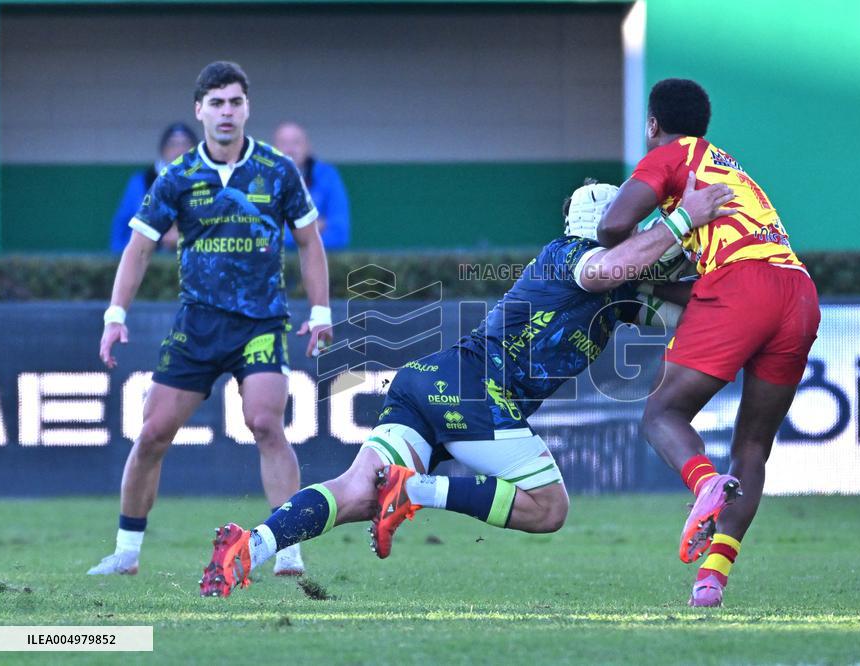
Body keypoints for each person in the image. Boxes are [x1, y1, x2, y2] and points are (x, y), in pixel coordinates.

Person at [197, 175, 735, 597]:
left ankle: (251, 545)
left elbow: (686, 302)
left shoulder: (618, 286)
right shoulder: (574, 257)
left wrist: (719, 258)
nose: (633, 229)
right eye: (626, 222)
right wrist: (685, 216)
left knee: (356, 491)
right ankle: (412, 490)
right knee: (549, 509)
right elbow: (615, 265)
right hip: (478, 393)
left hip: (434, 381)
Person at [89, 61, 334, 578]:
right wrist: (115, 316)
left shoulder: (278, 169)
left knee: (266, 423)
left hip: (261, 323)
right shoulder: (176, 177)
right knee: (153, 434)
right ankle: (127, 551)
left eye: (235, 102)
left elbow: (310, 243)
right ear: (199, 110)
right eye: (216, 103)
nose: (227, 112)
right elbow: (138, 248)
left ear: (248, 108)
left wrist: (320, 312)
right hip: (196, 327)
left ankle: (288, 548)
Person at [597, 78, 821, 607]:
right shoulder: (732, 170)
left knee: (661, 414)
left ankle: (703, 485)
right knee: (753, 445)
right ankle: (712, 578)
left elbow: (613, 227)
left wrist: (658, 235)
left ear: (653, 124)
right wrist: (649, 282)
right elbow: (710, 279)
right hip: (798, 290)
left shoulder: (673, 155)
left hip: (743, 289)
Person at [109, 123, 198, 253]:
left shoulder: (209, 181)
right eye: (173, 144)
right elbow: (120, 231)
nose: (180, 150)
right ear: (163, 150)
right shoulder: (142, 181)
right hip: (148, 262)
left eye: (185, 144)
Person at [272, 121, 351, 250]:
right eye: (284, 143)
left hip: (321, 263)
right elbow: (260, 237)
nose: (290, 149)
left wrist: (287, 230)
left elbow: (340, 234)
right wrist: (311, 229)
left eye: (296, 142)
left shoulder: (328, 175)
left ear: (308, 147)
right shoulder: (261, 179)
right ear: (274, 149)